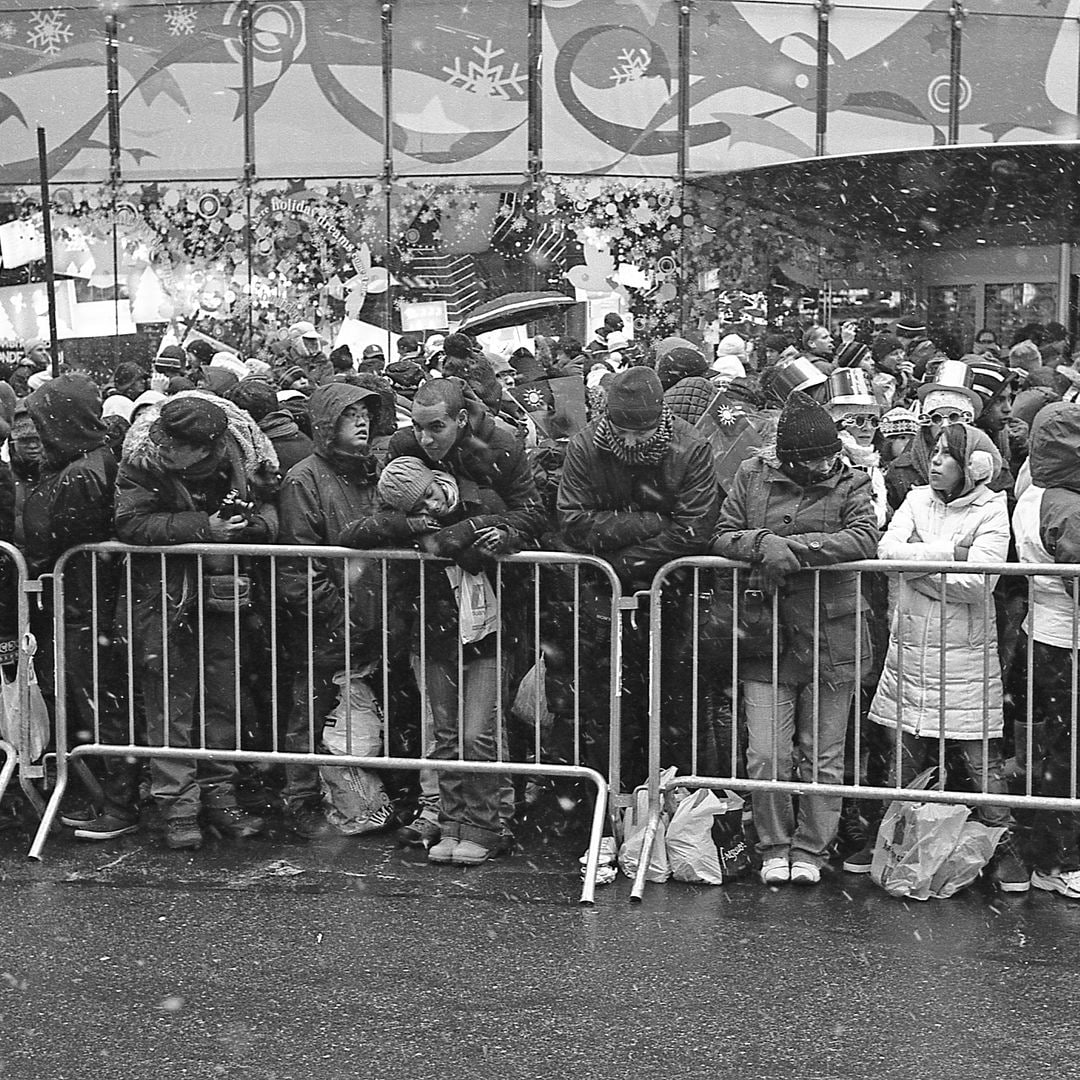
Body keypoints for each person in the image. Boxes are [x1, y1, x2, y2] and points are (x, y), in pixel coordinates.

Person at [711, 390, 878, 886]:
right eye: (812, 460)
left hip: (834, 631)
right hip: (768, 632)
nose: (824, 465)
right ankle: (774, 843)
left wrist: (798, 550)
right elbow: (722, 533)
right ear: (787, 457)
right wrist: (762, 543)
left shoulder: (854, 481)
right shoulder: (751, 474)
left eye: (829, 456)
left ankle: (812, 847)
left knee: (823, 754)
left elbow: (865, 536)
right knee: (766, 753)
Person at [384, 378, 545, 864]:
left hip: (494, 608)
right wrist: (421, 528)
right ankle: (452, 820)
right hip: (433, 608)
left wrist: (500, 534)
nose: (426, 437)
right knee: (447, 732)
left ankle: (487, 823)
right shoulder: (404, 447)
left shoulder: (501, 445)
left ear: (459, 420)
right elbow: (379, 518)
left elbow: (532, 512)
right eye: (418, 426)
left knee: (479, 732)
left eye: (436, 427)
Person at [861, 423, 1027, 890]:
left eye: (946, 455)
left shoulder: (994, 509)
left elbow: (980, 584)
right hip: (910, 658)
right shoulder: (914, 500)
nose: (934, 462)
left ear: (972, 466)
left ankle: (1005, 846)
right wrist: (952, 553)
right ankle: (894, 843)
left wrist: (917, 569)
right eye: (932, 452)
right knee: (902, 765)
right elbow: (887, 551)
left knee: (981, 767)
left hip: (965, 665)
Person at [115, 394, 278, 849]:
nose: (163, 446)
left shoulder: (245, 461)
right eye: (163, 437)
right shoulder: (141, 464)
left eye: (176, 444)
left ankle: (220, 794)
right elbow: (131, 524)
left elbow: (270, 510)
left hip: (224, 598)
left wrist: (254, 528)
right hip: (165, 601)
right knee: (171, 705)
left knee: (222, 700)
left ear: (207, 447)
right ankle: (178, 807)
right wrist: (204, 527)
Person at [557, 367, 719, 782]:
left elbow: (695, 529)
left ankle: (675, 798)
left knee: (675, 707)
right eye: (620, 431)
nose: (629, 442)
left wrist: (624, 559)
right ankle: (610, 803)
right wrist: (651, 522)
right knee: (604, 708)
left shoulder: (690, 447)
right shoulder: (585, 444)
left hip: (672, 595)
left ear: (659, 421)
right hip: (603, 595)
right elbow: (573, 521)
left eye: (640, 434)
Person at [276, 382, 388, 838]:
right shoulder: (304, 479)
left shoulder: (373, 470)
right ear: (326, 424)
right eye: (349, 414)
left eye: (365, 412)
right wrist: (342, 618)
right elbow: (300, 569)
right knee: (312, 710)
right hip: (323, 626)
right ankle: (301, 797)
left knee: (355, 717)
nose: (361, 421)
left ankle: (354, 796)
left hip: (369, 618)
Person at [22, 374, 128, 839]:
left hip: (83, 608)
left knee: (100, 705)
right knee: (91, 704)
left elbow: (69, 541)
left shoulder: (84, 471)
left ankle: (120, 802)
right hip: (75, 605)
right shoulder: (77, 462)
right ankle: (107, 793)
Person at [1009, 401, 1080, 899]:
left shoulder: (1033, 490)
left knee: (1054, 754)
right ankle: (1060, 861)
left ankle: (1050, 853)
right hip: (1066, 643)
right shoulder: (1067, 506)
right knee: (1068, 757)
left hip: (1044, 636)